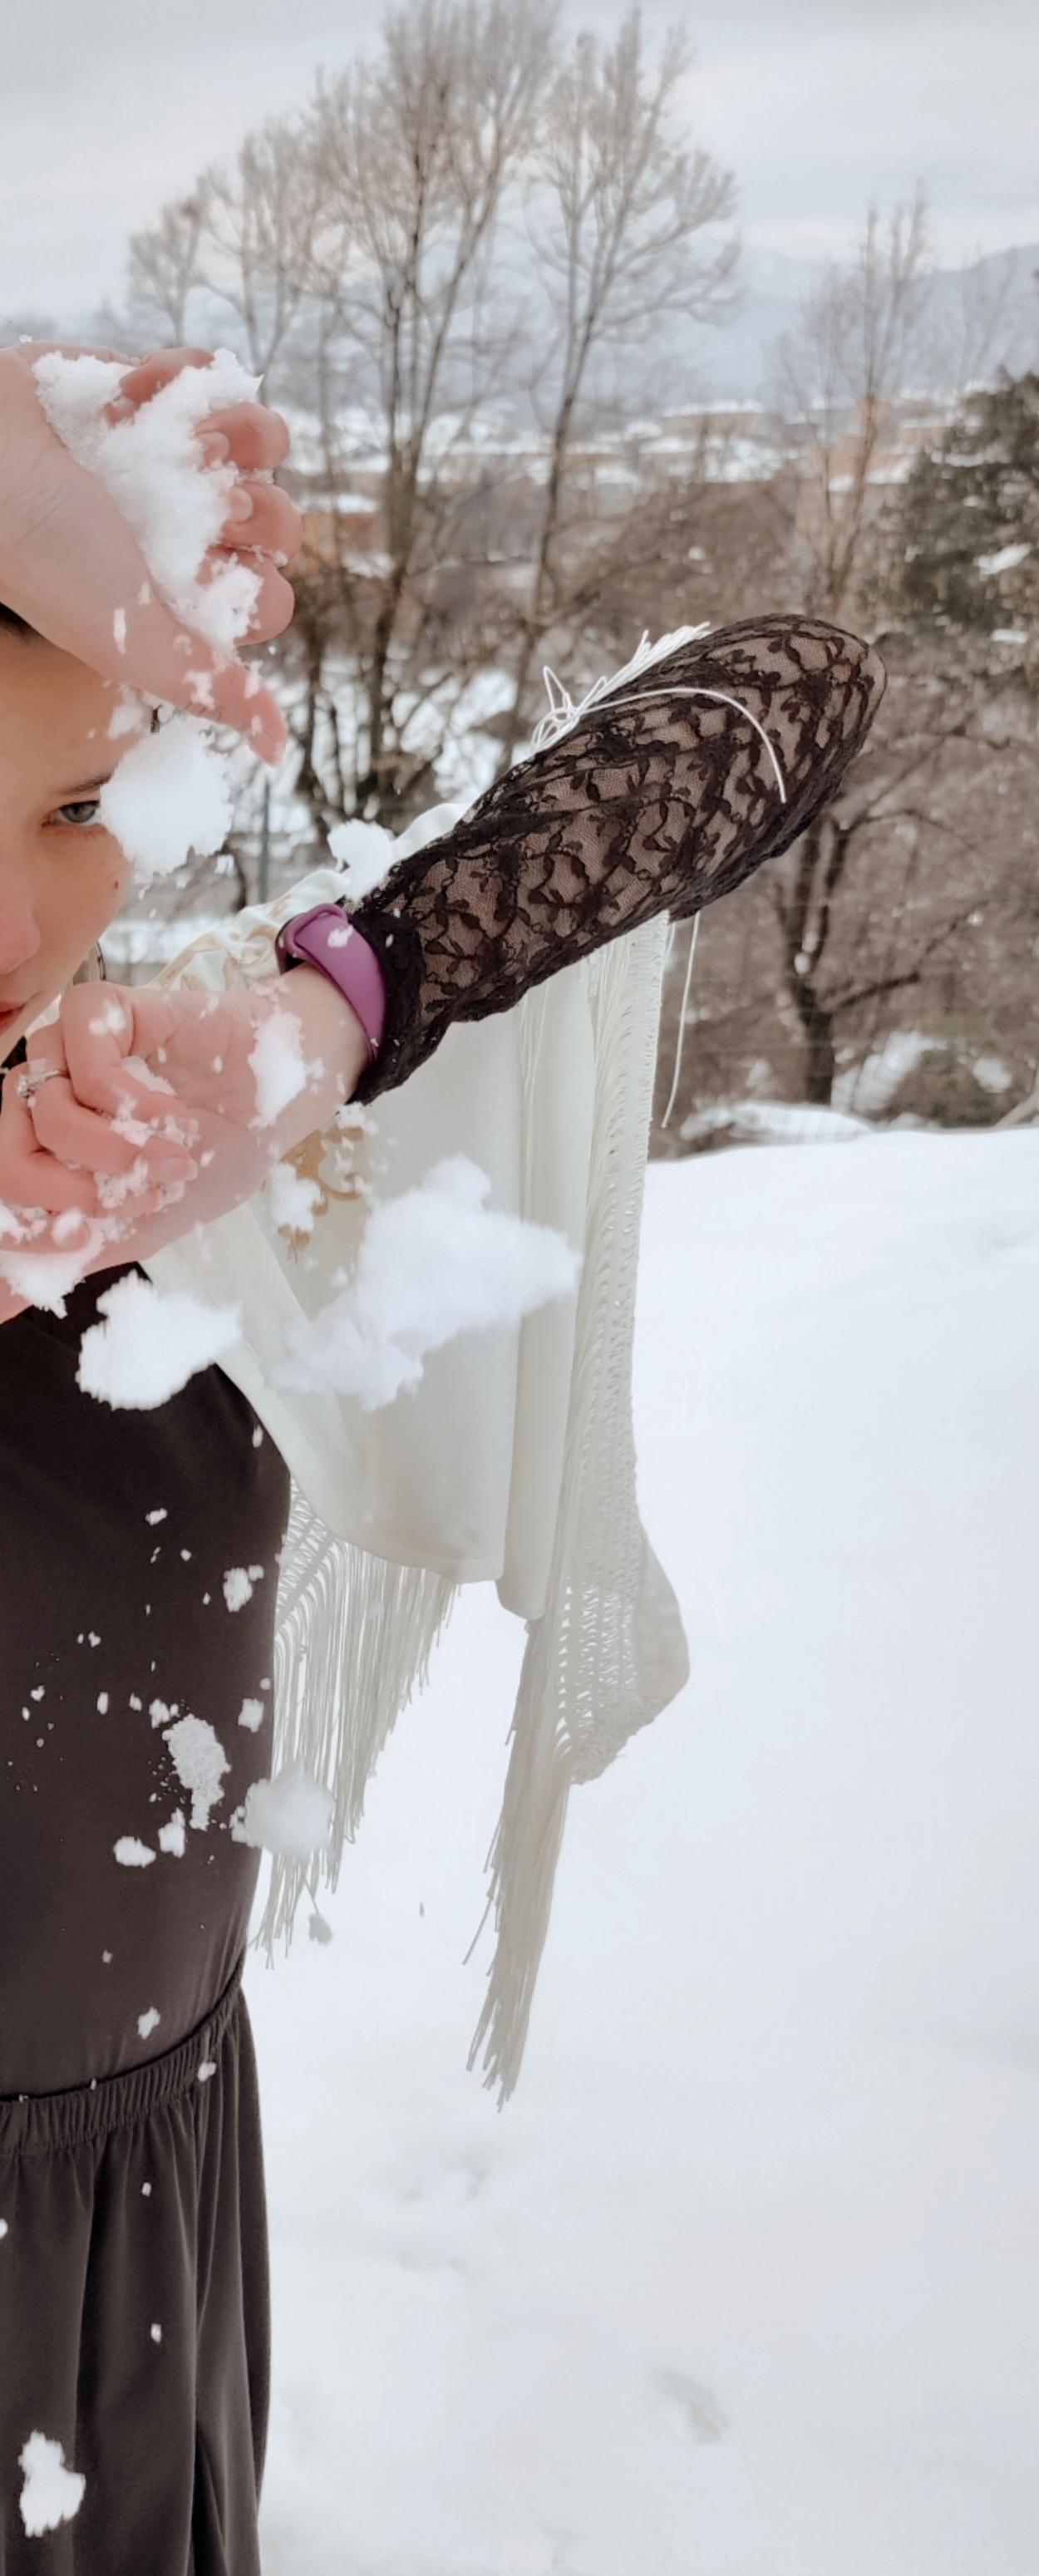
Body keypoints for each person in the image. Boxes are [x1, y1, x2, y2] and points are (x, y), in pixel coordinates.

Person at [0, 347, 884, 2573]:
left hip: (135, 2227)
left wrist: (321, 1024)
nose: (29, 919)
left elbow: (788, 695)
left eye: (71, 809)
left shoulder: (122, 1125)